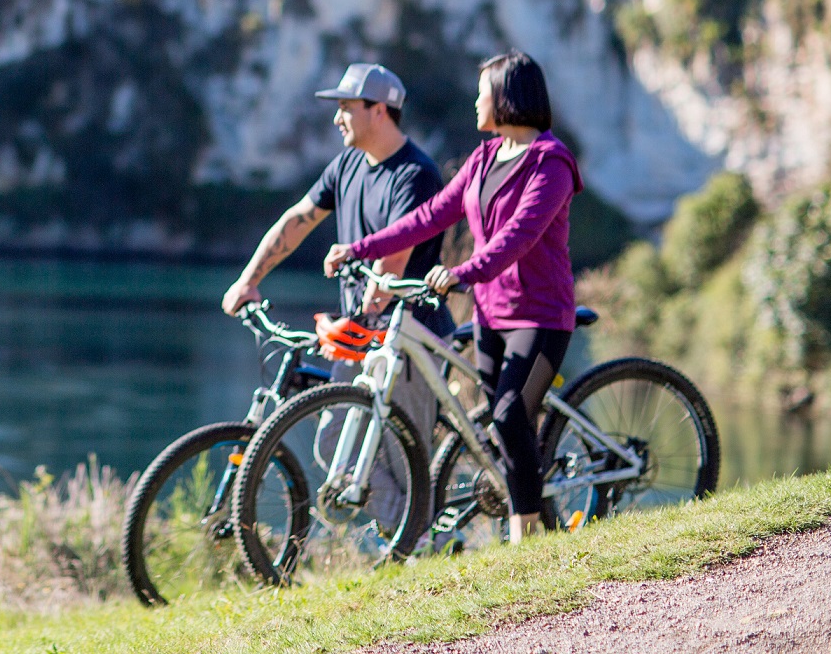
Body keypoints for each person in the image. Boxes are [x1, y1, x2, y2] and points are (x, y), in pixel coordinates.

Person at [325, 50, 580, 546]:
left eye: (482, 93)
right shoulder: (484, 159)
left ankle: (525, 539)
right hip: (490, 314)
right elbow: (429, 217)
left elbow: (518, 237)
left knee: (509, 415)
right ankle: (534, 516)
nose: (476, 102)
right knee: (502, 423)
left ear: (506, 96)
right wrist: (360, 247)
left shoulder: (551, 163)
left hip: (541, 316)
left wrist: (461, 272)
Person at [221, 62, 451, 446]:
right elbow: (298, 220)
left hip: (409, 339)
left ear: (379, 111)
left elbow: (392, 262)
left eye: (346, 107)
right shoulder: (347, 164)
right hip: (361, 334)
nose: (336, 119)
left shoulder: (415, 174)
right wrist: (248, 281)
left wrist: (358, 322)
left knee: (396, 457)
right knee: (332, 445)